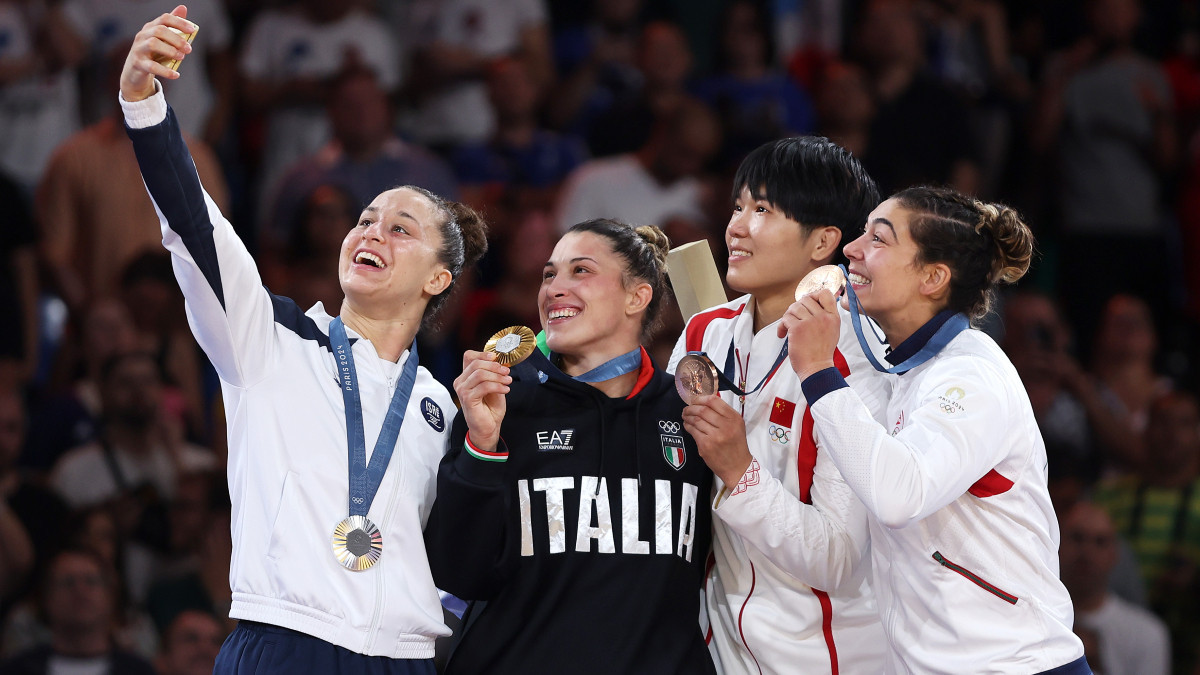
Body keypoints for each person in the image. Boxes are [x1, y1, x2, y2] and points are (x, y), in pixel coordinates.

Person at [117, 7, 488, 672]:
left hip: (402, 657)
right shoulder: (269, 336)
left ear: (440, 277)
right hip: (283, 641)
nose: (371, 231)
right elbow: (196, 229)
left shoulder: (445, 406)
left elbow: (458, 552)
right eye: (366, 219)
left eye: (400, 227)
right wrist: (144, 104)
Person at [780, 185, 1088, 673]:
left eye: (878, 240)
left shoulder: (970, 375)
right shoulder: (908, 371)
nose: (852, 250)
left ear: (932, 277)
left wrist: (819, 370)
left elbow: (899, 496)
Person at [425, 219, 715, 674]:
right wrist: (481, 444)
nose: (554, 288)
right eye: (548, 274)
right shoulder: (502, 399)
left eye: (580, 271)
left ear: (637, 296)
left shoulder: (690, 414)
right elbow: (458, 572)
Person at [668, 136, 887, 673]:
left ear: (823, 243)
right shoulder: (706, 331)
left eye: (762, 210)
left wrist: (736, 469)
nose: (736, 227)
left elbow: (837, 558)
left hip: (828, 656)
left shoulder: (858, 359)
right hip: (719, 648)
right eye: (738, 207)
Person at [1059, 500, 1171, 675]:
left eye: (1100, 541)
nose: (1087, 551)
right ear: (1055, 543)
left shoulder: (1148, 634)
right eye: (1077, 537)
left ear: (1114, 554)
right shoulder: (1028, 620)